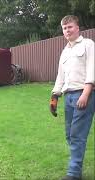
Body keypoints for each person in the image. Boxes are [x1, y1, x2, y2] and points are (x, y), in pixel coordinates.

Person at [50, 15, 94, 180]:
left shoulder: (88, 44)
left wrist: (86, 92)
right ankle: (77, 166)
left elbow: (92, 69)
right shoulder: (65, 51)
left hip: (83, 95)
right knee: (69, 134)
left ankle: (73, 174)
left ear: (77, 28)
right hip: (68, 97)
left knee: (77, 135)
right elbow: (60, 76)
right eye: (64, 28)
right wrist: (54, 96)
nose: (67, 30)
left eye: (70, 27)